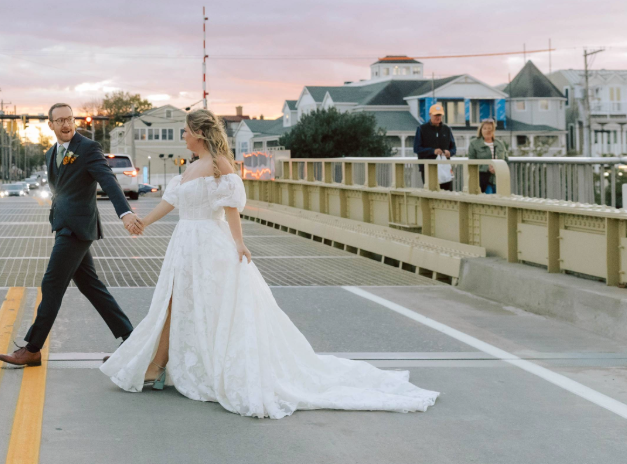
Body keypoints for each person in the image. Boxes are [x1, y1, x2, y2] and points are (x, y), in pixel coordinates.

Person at [99, 109, 438, 419]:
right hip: (184, 244)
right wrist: (142, 223)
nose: (183, 137)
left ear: (199, 134)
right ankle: (161, 364)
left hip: (209, 244)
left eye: (186, 132)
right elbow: (171, 203)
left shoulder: (221, 165)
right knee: (175, 301)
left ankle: (162, 366)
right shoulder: (189, 168)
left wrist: (239, 243)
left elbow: (231, 208)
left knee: (206, 305)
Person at [0, 103, 144, 367]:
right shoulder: (51, 153)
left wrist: (125, 213)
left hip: (78, 229)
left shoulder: (88, 148)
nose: (66, 124)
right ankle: (132, 341)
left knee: (52, 284)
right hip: (64, 225)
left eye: (69, 119)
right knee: (91, 286)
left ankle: (32, 348)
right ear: (50, 125)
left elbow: (108, 180)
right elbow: (59, 190)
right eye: (60, 120)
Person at [413, 103, 457, 191]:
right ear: (430, 115)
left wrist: (450, 153)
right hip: (428, 168)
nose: (438, 117)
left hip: (445, 168)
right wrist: (432, 151)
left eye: (440, 115)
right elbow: (417, 148)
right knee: (431, 193)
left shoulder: (447, 129)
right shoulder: (421, 129)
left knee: (447, 194)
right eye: (435, 115)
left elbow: (454, 148)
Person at [468, 119, 508, 194]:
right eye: (485, 128)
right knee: (489, 200)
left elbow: (506, 159)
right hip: (483, 179)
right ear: (481, 130)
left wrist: (498, 167)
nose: (487, 131)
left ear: (493, 130)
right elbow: (471, 163)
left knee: (501, 202)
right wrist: (486, 167)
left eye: (490, 128)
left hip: (499, 179)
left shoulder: (500, 144)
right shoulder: (474, 144)